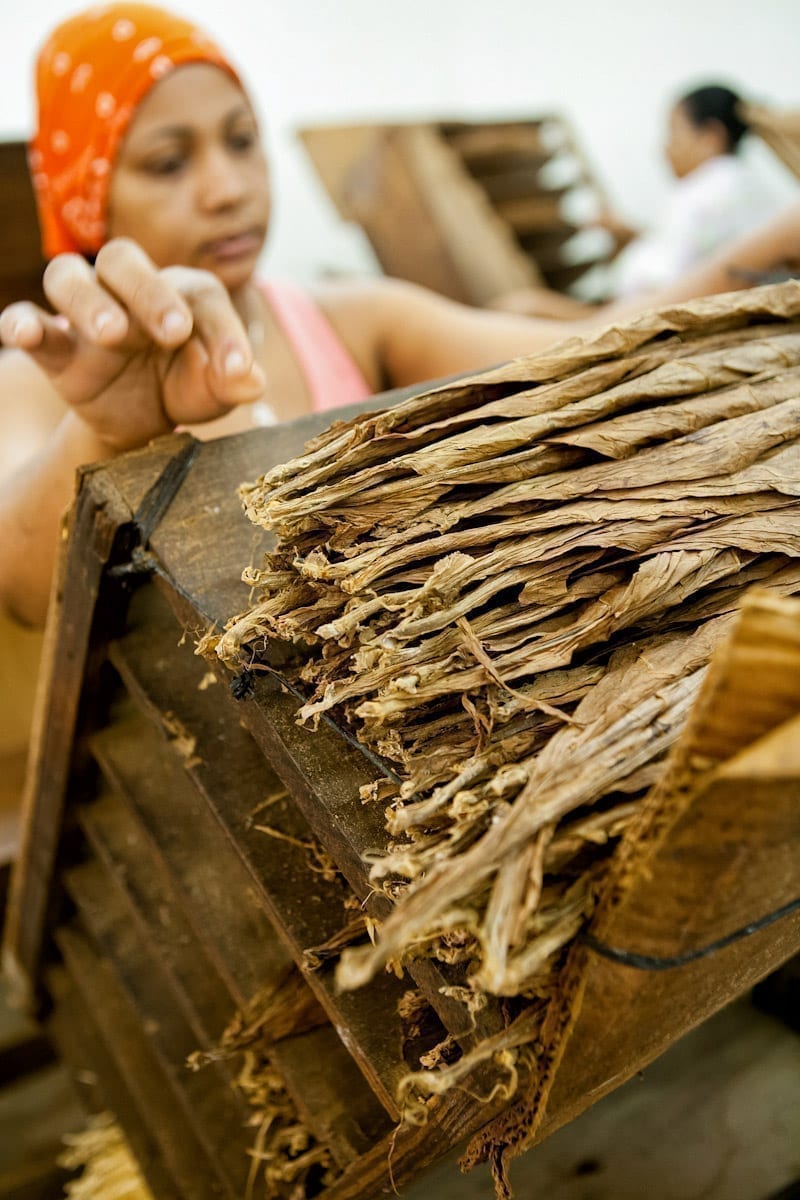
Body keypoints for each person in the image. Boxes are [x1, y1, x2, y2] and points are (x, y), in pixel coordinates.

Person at [0, 2, 575, 628]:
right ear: (84, 193)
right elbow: (27, 597)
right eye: (169, 162)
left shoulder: (356, 322)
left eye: (242, 140)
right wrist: (103, 435)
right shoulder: (37, 382)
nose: (228, 188)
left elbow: (586, 350)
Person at [494, 83, 783, 318]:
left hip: (643, 322)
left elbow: (658, 292)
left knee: (518, 308)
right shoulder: (742, 186)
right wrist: (629, 234)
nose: (665, 147)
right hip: (659, 314)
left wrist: (578, 317)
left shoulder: (705, 191)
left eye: (674, 132)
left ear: (711, 136)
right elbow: (693, 255)